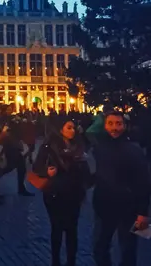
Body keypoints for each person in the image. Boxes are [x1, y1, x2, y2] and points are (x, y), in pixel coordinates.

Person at [92, 110, 150, 266]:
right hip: (104, 207)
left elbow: (144, 183)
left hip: (130, 209)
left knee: (129, 250)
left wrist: (143, 214)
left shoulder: (135, 150)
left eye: (118, 124)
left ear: (125, 126)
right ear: (104, 125)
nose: (114, 128)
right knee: (99, 248)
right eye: (110, 123)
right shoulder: (99, 148)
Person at [33, 116, 90, 266]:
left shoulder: (79, 146)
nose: (72, 131)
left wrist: (85, 165)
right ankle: (56, 261)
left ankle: (71, 261)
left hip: (74, 193)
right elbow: (36, 167)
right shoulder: (49, 146)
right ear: (60, 129)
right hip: (55, 193)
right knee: (57, 228)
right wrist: (46, 171)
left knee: (72, 229)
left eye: (73, 127)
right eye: (69, 128)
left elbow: (87, 175)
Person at [1, 116, 34, 196]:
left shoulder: (11, 124)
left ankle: (21, 188)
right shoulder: (10, 125)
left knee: (21, 169)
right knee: (9, 168)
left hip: (15, 149)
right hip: (13, 150)